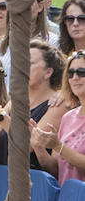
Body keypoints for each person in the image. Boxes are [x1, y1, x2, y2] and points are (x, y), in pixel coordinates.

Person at [31, 50, 85, 182]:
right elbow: (55, 170)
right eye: (70, 73)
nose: (75, 78)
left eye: (81, 72)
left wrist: (57, 146)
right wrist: (39, 147)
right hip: (67, 199)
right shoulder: (68, 117)